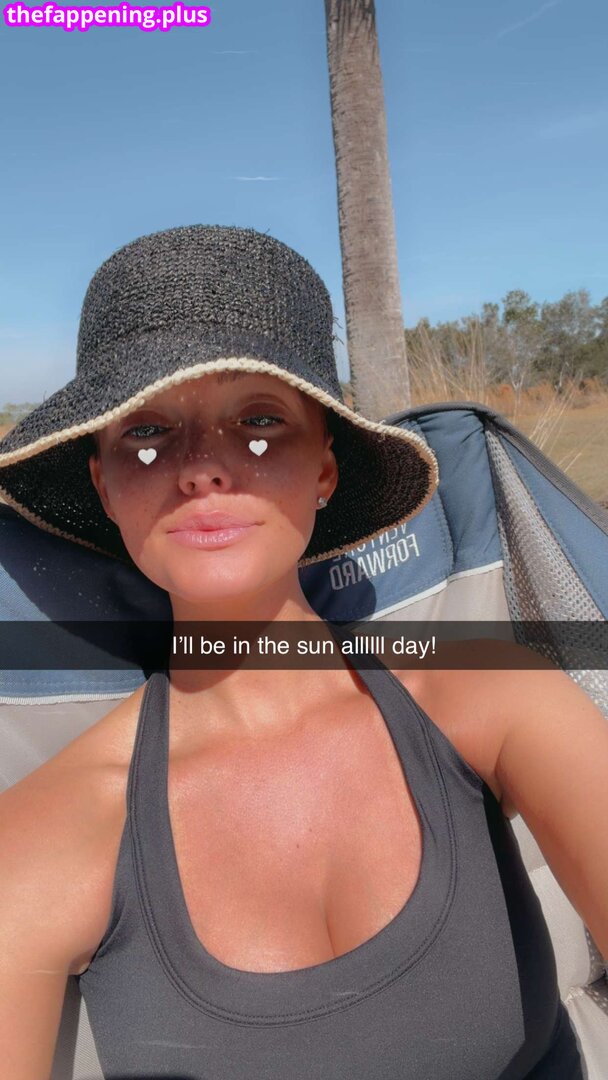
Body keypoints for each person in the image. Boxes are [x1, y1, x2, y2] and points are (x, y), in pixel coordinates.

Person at [0, 224, 605, 1080]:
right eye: (147, 432)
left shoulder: (492, 699)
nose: (201, 470)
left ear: (325, 469)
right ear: (104, 485)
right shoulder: (43, 839)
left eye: (259, 421)